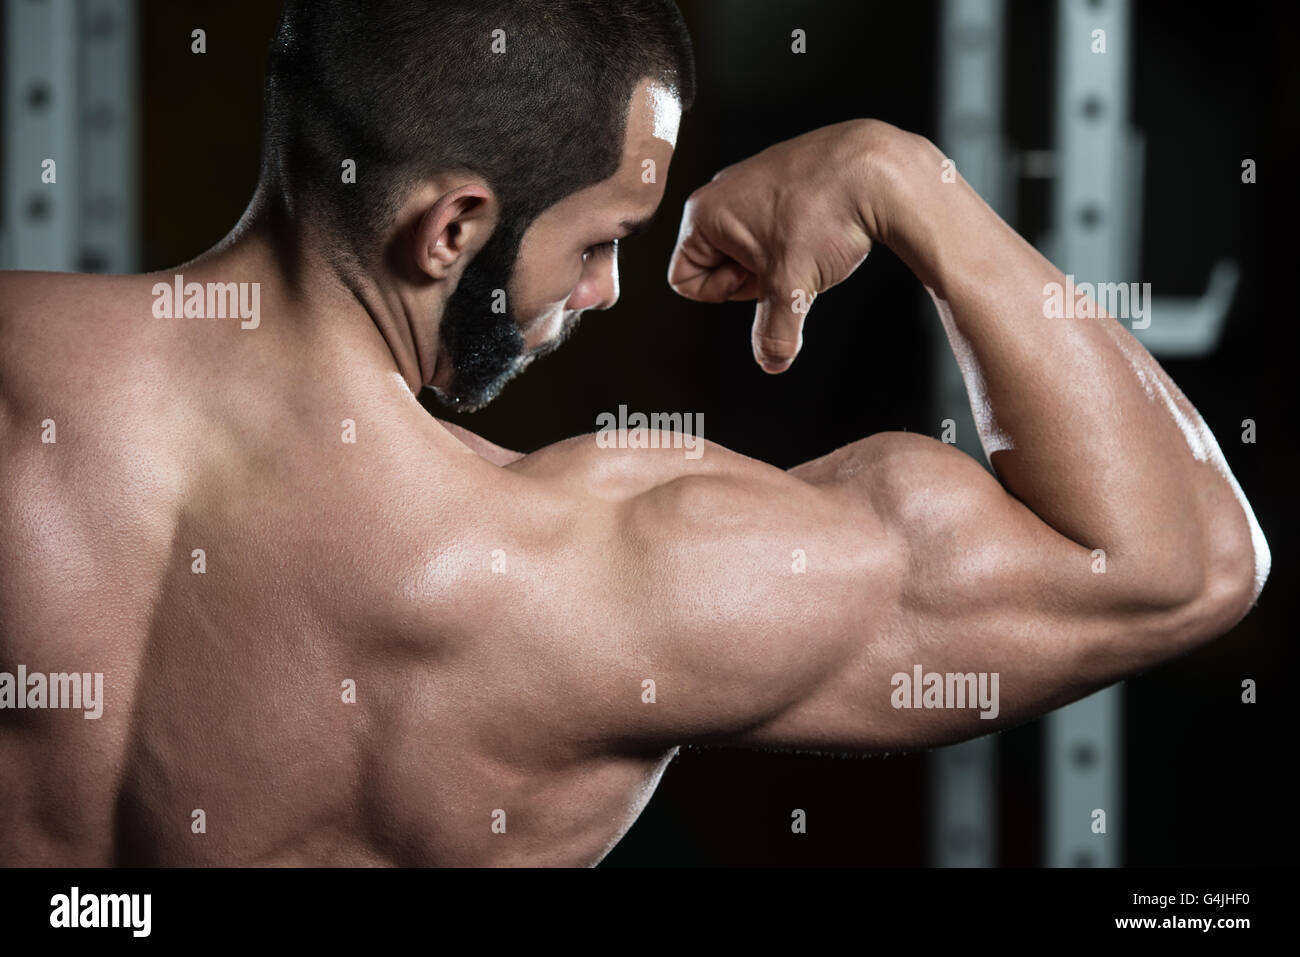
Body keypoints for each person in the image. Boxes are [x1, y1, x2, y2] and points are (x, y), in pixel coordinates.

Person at [0, 0, 1267, 867]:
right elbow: (1176, 565)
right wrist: (901, 179)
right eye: (599, 239)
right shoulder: (603, 574)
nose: (605, 292)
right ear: (451, 231)